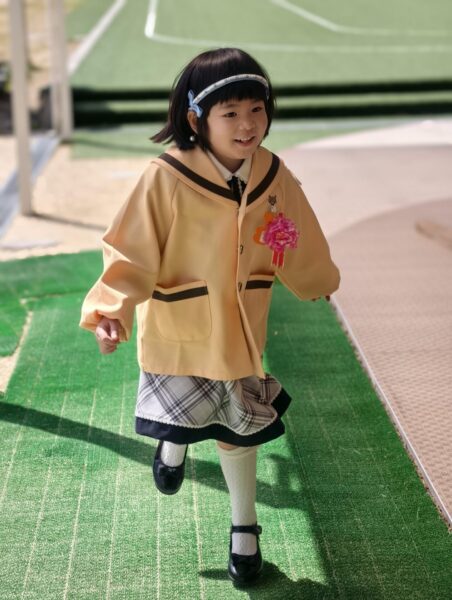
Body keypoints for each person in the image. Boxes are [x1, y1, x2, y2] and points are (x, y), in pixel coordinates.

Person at [80, 47, 340, 587]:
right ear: (196, 119)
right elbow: (131, 249)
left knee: (238, 429)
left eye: (257, 109)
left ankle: (244, 530)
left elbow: (298, 231)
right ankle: (172, 444)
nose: (247, 125)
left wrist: (315, 280)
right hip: (182, 328)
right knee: (185, 416)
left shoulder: (273, 173)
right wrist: (111, 309)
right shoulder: (166, 176)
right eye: (231, 113)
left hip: (241, 331)